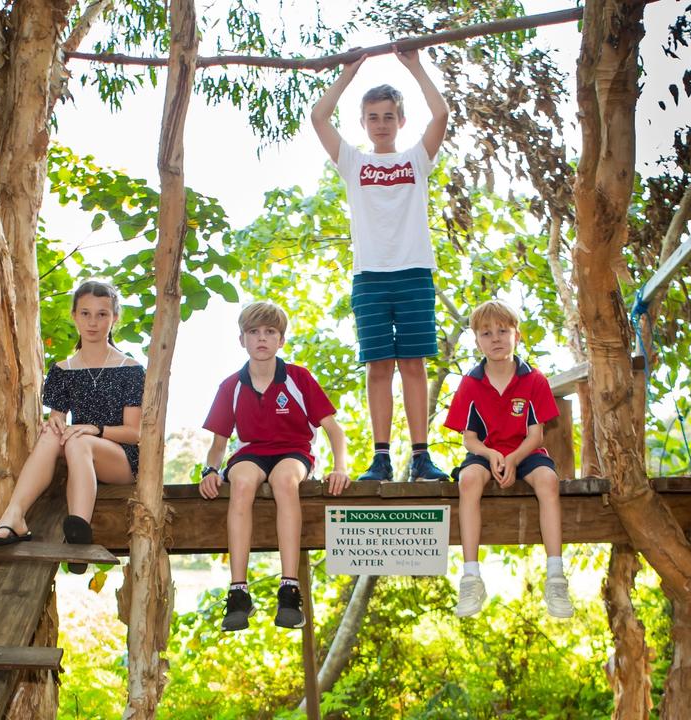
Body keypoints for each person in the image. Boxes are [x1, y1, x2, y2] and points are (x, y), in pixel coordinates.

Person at [309, 47, 450, 482]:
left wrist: (414, 66)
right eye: (373, 117)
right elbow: (319, 117)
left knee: (413, 364)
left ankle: (421, 456)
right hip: (370, 276)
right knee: (378, 367)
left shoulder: (415, 160)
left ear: (400, 121)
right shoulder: (354, 162)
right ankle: (382, 457)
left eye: (389, 116)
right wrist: (348, 74)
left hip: (413, 272)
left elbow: (441, 114)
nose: (381, 124)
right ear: (364, 123)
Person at [198, 302, 351, 631]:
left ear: (281, 340)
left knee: (284, 481)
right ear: (242, 340)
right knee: (240, 483)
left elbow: (335, 432)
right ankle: (238, 592)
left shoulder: (298, 378)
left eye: (270, 332)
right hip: (251, 452)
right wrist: (210, 471)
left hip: (293, 451)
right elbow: (219, 446)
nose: (262, 339)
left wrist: (340, 467)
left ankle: (289, 587)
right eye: (254, 332)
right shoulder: (231, 386)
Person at [0, 279, 145, 575]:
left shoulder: (130, 369)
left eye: (102, 314)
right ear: (74, 316)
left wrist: (96, 429)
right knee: (51, 433)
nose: (93, 322)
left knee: (77, 439)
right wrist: (55, 423)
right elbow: (58, 419)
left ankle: (78, 535)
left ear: (114, 318)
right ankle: (13, 517)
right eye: (85, 313)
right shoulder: (62, 371)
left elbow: (135, 433)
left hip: (121, 459)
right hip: (79, 453)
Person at [442, 300, 574, 619]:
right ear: (477, 340)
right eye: (487, 333)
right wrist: (491, 455)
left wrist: (513, 459)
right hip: (486, 453)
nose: (496, 338)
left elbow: (536, 435)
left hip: (525, 452)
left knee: (548, 481)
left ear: (517, 335)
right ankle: (471, 576)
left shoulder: (533, 380)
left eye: (503, 331)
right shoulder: (471, 383)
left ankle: (555, 576)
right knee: (468, 479)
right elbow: (469, 438)